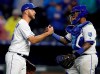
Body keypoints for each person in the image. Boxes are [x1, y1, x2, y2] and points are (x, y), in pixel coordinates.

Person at [5, 3, 54, 74]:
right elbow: (33, 40)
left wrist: (44, 33)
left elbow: (34, 38)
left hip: (21, 58)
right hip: (15, 57)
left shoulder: (25, 25)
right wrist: (47, 33)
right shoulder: (23, 23)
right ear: (26, 11)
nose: (35, 12)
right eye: (32, 10)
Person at [52, 5, 98, 74]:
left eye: (74, 13)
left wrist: (75, 55)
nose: (72, 16)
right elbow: (65, 41)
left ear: (81, 13)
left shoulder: (88, 27)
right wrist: (52, 33)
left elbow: (88, 43)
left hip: (87, 58)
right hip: (75, 58)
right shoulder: (76, 28)